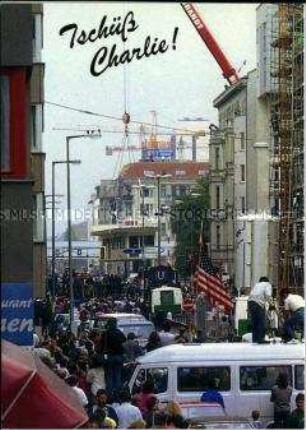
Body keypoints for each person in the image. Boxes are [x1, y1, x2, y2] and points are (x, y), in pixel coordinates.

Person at [104, 319, 126, 395]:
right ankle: (118, 392)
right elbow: (124, 339)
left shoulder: (106, 333)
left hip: (110, 356)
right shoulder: (118, 332)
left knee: (110, 375)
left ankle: (110, 392)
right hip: (118, 356)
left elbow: (103, 343)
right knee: (117, 374)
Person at [247, 276, 273, 343]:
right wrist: (271, 304)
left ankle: (255, 339)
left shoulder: (256, 285)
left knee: (255, 322)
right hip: (258, 303)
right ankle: (261, 339)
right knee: (261, 321)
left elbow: (251, 294)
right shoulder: (267, 284)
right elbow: (268, 295)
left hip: (250, 302)